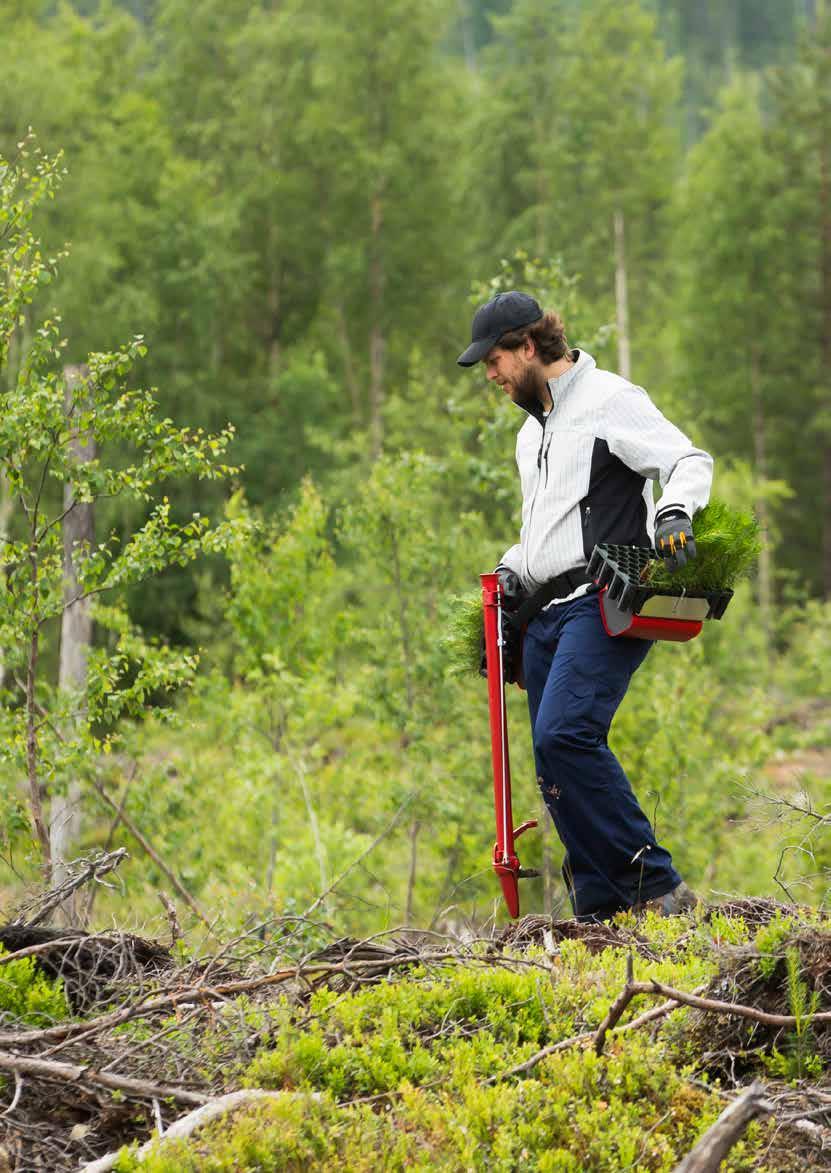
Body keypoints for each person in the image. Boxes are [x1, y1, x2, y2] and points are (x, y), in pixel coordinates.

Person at [458, 291, 712, 920]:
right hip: (542, 616)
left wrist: (675, 510)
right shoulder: (527, 436)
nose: (490, 375)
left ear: (527, 347)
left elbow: (686, 459)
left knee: (566, 735)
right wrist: (505, 590)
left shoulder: (608, 400)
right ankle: (599, 910)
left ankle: (659, 886)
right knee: (552, 765)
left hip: (603, 602)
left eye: (494, 360)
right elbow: (541, 532)